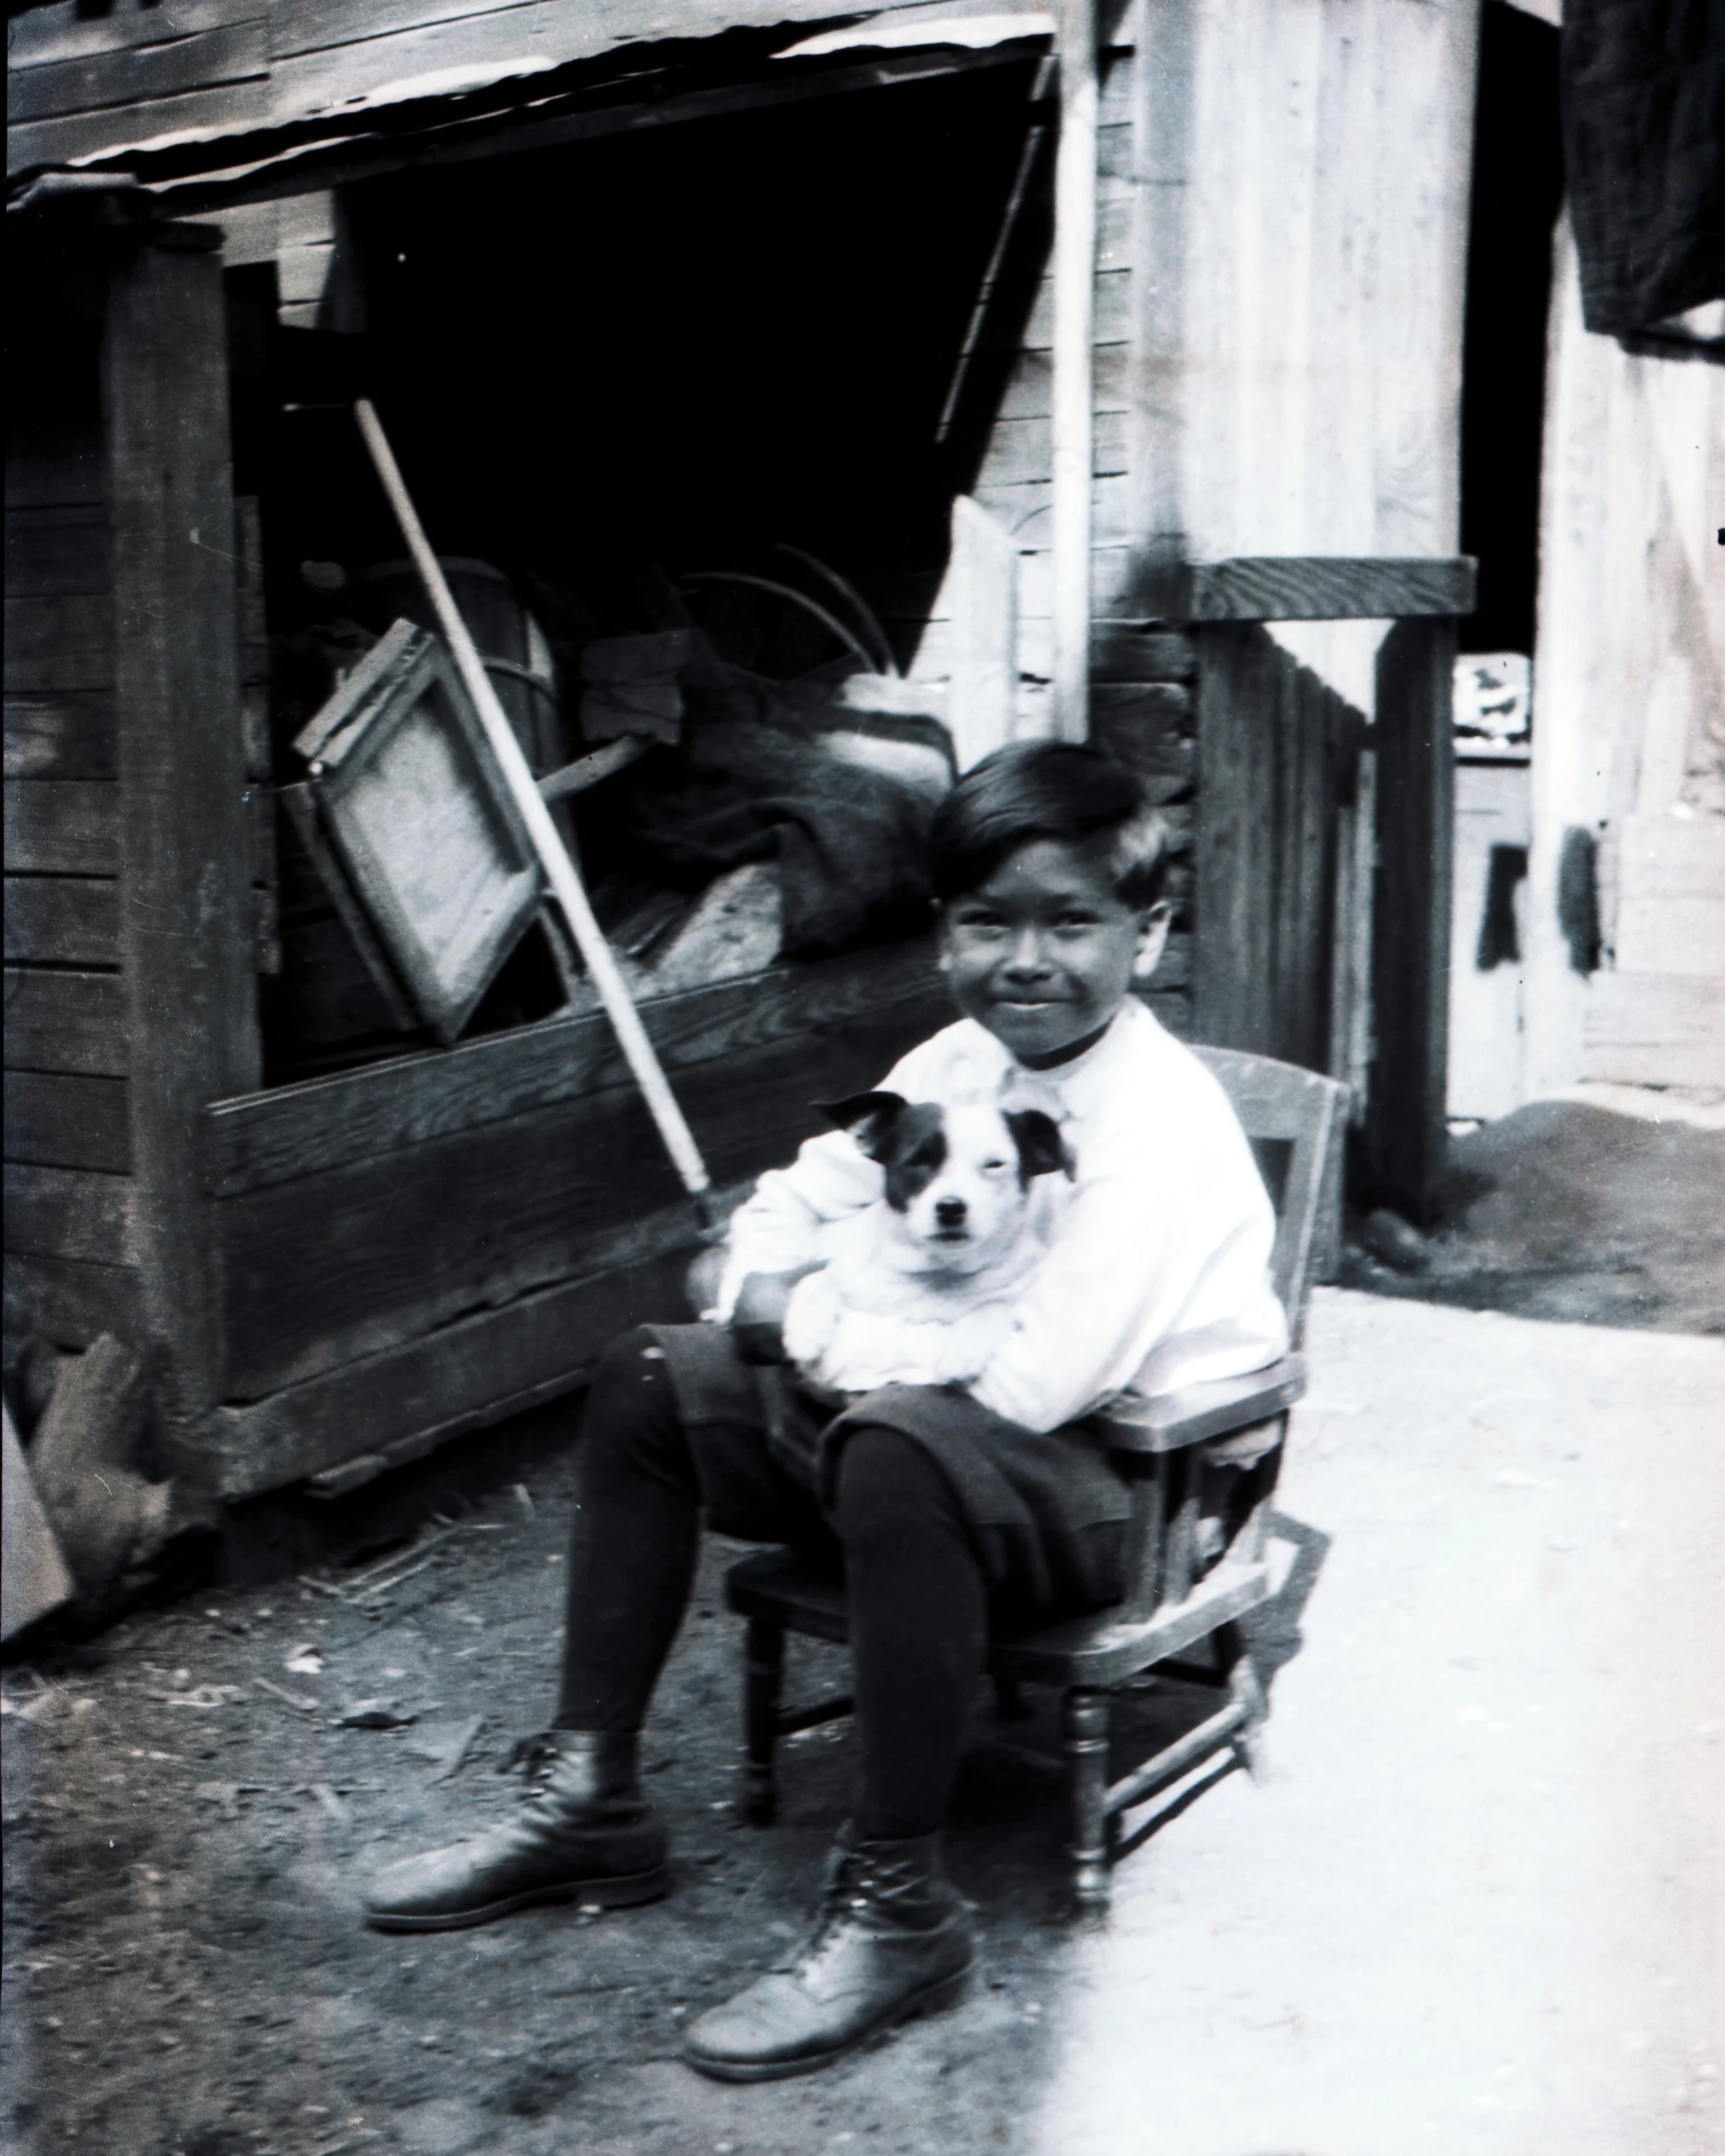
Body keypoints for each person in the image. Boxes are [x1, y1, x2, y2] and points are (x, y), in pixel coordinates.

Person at [363, 740, 1287, 2081]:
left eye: (1071, 920)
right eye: (987, 922)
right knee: (648, 1371)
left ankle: (902, 1902)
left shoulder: (1161, 1124)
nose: (1026, 960)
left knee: (903, 1439)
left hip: (1116, 1488)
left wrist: (815, 1324)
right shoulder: (948, 1066)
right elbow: (779, 1220)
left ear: (1147, 935)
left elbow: (1031, 1384)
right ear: (941, 934)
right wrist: (765, 1293)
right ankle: (589, 1795)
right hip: (915, 1419)